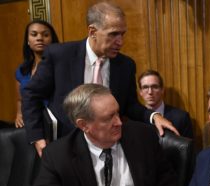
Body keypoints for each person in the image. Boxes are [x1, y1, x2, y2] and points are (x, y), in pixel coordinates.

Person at [22, 2, 178, 157]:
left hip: (107, 149)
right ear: (92, 31)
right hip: (66, 148)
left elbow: (130, 105)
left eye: (122, 34)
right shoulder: (60, 56)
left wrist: (154, 116)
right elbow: (31, 94)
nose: (120, 42)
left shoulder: (126, 65)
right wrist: (37, 137)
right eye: (113, 34)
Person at [22, 84, 177, 186]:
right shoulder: (59, 154)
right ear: (83, 125)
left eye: (117, 113)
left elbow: (166, 180)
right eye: (108, 118)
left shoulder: (143, 136)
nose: (119, 122)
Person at [15, 20, 59, 128]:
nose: (39, 38)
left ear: (52, 40)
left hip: (55, 122)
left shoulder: (60, 66)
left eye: (45, 35)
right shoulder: (22, 70)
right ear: (28, 41)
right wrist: (19, 114)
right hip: (31, 123)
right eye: (34, 34)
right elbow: (20, 99)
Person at [138, 70, 193, 138]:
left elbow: (189, 147)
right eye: (145, 87)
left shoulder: (181, 118)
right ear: (140, 92)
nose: (150, 92)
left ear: (162, 90)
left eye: (155, 87)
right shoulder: (135, 120)